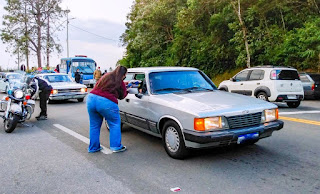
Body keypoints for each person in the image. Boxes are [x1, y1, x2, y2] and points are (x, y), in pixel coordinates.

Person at [87, 66, 128, 153]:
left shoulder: (106, 75)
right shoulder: (119, 81)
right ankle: (116, 146)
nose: (124, 77)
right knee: (114, 124)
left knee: (94, 126)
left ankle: (93, 148)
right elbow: (122, 96)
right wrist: (127, 89)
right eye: (125, 75)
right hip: (106, 102)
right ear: (123, 74)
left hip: (91, 98)